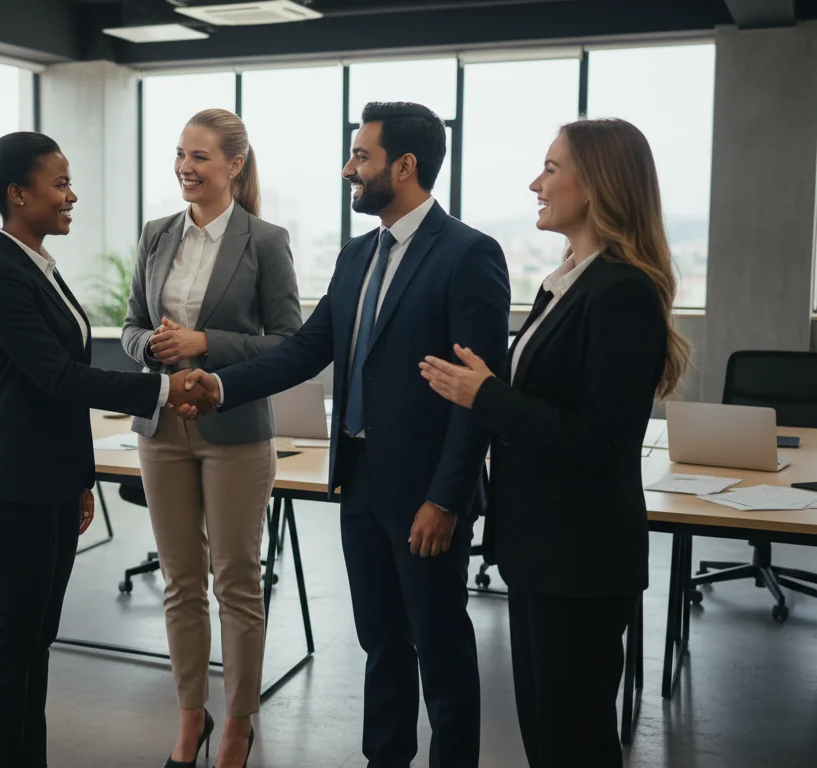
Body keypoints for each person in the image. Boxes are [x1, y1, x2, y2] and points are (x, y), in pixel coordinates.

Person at [183, 102, 511, 767]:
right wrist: (221, 385)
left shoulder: (469, 254)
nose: (347, 169)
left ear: (405, 166)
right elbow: (307, 350)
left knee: (441, 651)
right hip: (359, 480)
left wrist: (446, 498)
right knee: (381, 644)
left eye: (361, 156)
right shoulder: (358, 254)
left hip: (425, 494)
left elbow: (478, 396)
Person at [419, 118, 687, 768]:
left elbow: (600, 439)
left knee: (573, 744)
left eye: (551, 168)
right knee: (547, 739)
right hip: (542, 551)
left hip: (580, 559)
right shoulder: (567, 281)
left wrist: (486, 395)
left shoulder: (622, 291)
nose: (535, 184)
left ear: (595, 184)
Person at [0, 131, 214, 768]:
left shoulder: (35, 263)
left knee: (36, 639)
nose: (72, 196)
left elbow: (60, 388)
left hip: (45, 477)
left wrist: (78, 478)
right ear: (18, 194)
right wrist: (163, 389)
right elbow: (60, 379)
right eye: (60, 183)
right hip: (9, 482)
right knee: (12, 643)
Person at [121, 108, 301, 768]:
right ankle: (191, 718)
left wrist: (205, 343)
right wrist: (154, 346)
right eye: (180, 154)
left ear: (234, 165)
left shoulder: (266, 241)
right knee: (180, 582)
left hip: (236, 429)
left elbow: (288, 344)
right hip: (161, 423)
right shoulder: (156, 234)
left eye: (199, 156)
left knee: (237, 582)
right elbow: (131, 326)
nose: (185, 168)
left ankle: (238, 727)